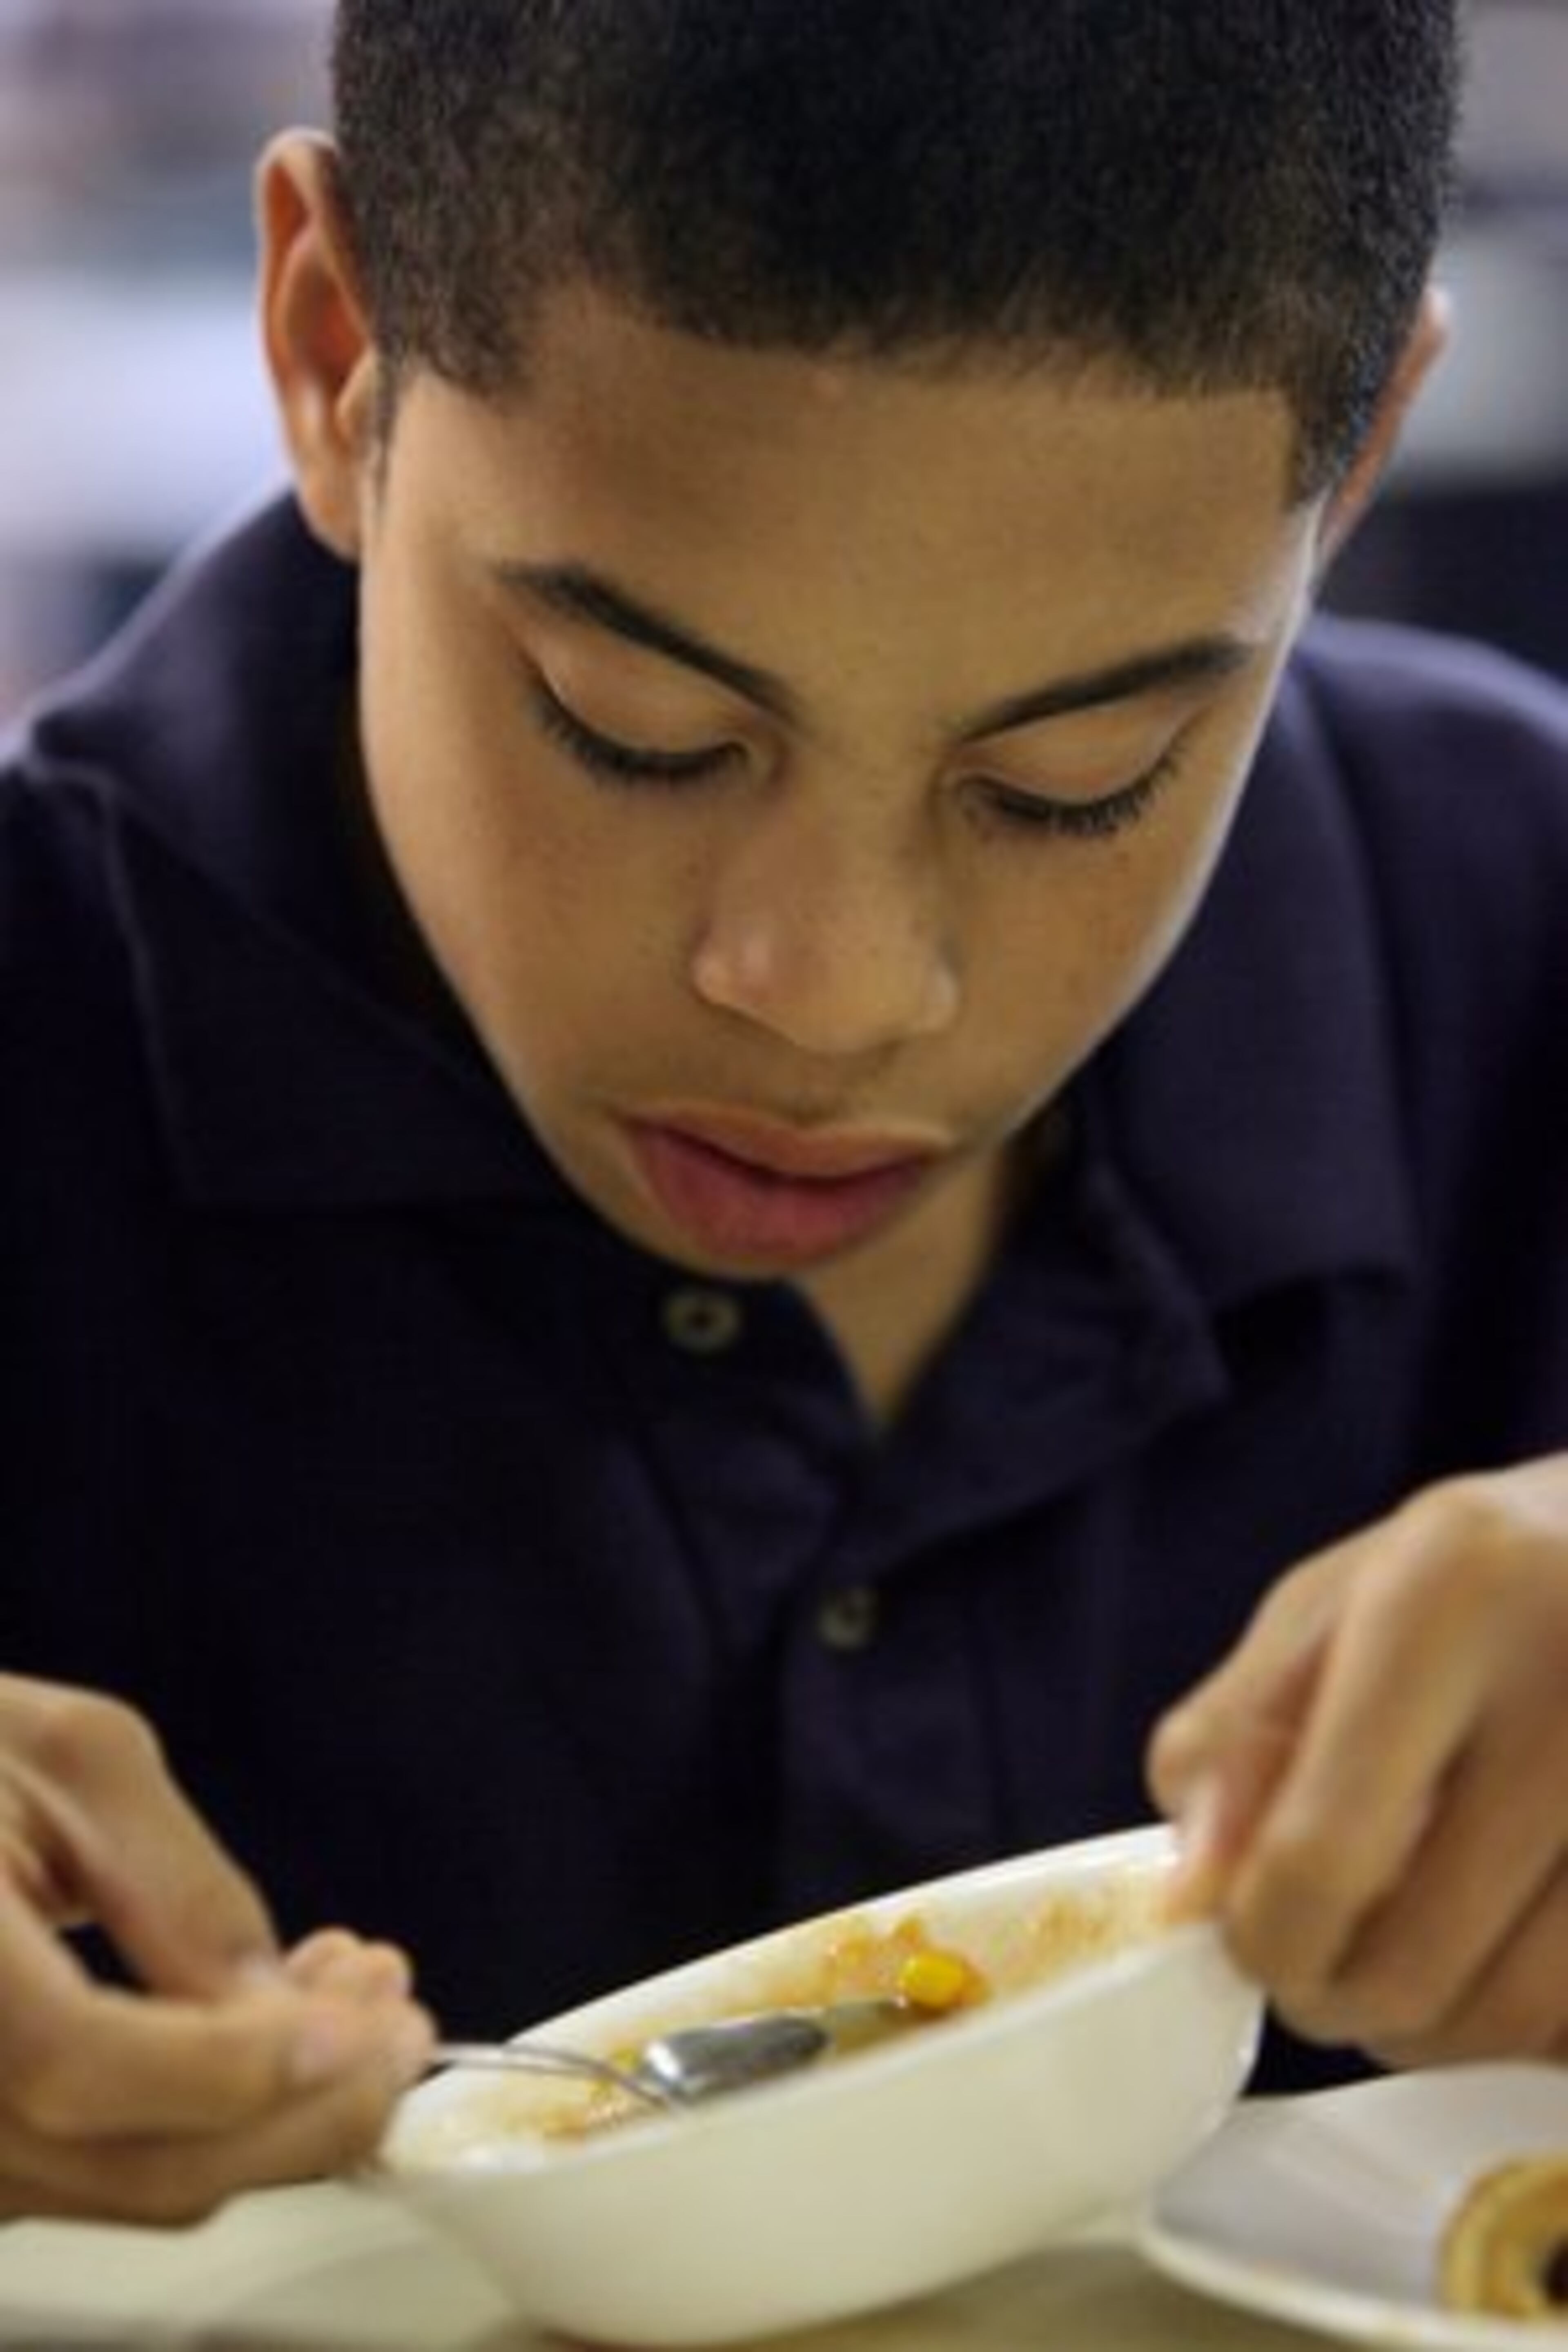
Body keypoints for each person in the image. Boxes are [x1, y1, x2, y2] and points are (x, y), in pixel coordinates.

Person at [3, 0, 1566, 2227]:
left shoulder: (1517, 938)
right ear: (338, 349)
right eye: (636, 726)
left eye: (1070, 783)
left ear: (1361, 466)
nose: (834, 999)